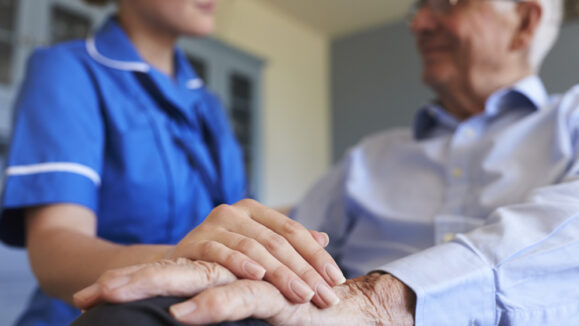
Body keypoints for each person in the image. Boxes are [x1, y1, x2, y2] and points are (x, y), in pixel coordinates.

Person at [71, 0, 579, 325]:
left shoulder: (571, 119)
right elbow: (285, 250)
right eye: (418, 8)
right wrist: (233, 252)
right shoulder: (368, 158)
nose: (419, 23)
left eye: (444, 3)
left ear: (525, 21)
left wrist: (381, 303)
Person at [0, 0, 346, 325]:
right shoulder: (68, 70)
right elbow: (55, 253)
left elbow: (231, 216)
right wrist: (185, 260)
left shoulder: (208, 105)